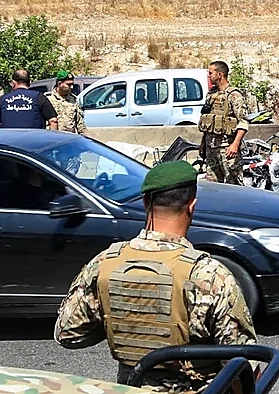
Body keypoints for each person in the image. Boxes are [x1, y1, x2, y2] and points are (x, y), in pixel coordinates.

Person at [54, 160, 259, 392]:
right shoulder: (210, 275)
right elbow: (243, 367)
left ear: (145, 203)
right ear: (192, 206)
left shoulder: (104, 264)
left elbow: (67, 333)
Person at [198, 61, 249, 185]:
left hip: (227, 148)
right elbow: (208, 121)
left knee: (234, 185)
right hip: (211, 148)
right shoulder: (211, 95)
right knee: (212, 185)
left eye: (211, 73)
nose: (209, 76)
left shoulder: (234, 95)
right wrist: (203, 143)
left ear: (219, 75)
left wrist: (235, 144)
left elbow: (243, 121)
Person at [46, 70, 89, 136]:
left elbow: (80, 123)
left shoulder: (73, 99)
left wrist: (86, 137)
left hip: (69, 138)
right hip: (53, 138)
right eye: (68, 84)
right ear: (59, 84)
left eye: (72, 84)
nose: (72, 87)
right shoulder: (48, 99)